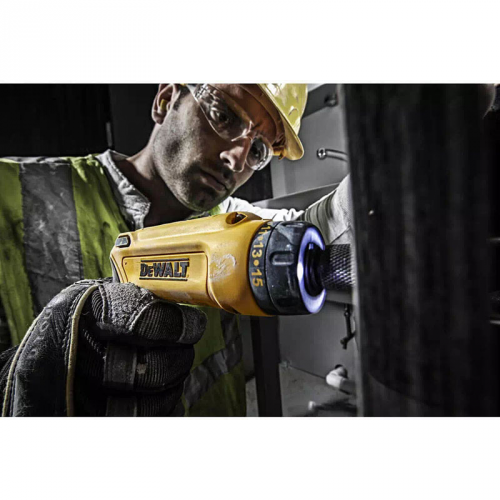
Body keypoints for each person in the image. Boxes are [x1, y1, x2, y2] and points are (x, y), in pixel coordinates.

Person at [0, 83, 352, 416]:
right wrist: (40, 375)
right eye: (224, 116)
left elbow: (321, 227)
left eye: (257, 150)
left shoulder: (232, 224)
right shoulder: (12, 192)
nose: (237, 159)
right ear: (166, 98)